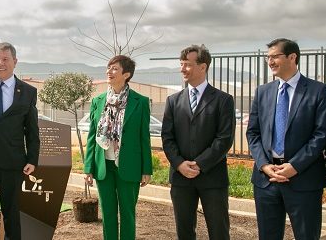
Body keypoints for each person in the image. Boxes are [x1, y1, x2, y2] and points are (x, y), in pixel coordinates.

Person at [246, 38, 326, 240]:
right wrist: (264, 165)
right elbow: (253, 133)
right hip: (266, 181)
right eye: (268, 58)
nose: (270, 62)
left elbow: (322, 134)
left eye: (275, 56)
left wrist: (294, 166)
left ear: (292, 57)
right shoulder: (263, 92)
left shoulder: (318, 91)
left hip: (303, 180)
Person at [161, 45, 235, 240]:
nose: (182, 69)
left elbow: (224, 138)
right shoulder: (173, 101)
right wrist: (179, 164)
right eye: (181, 64)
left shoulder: (223, 100)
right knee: (184, 232)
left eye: (187, 64)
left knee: (219, 231)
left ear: (203, 67)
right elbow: (167, 138)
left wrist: (200, 164)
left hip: (213, 178)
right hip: (180, 178)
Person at [0, 42, 41, 240]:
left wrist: (32, 159)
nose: (0, 63)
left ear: (15, 62)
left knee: (12, 214)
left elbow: (31, 129)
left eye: (5, 59)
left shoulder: (27, 91)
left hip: (12, 163)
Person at [84, 55, 153, 240]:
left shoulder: (140, 102)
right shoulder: (98, 101)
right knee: (108, 214)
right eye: (108, 68)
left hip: (129, 165)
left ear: (126, 74)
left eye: (114, 68)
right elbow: (92, 136)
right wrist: (88, 167)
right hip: (103, 166)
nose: (109, 71)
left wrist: (146, 169)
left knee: (128, 214)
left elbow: (144, 138)